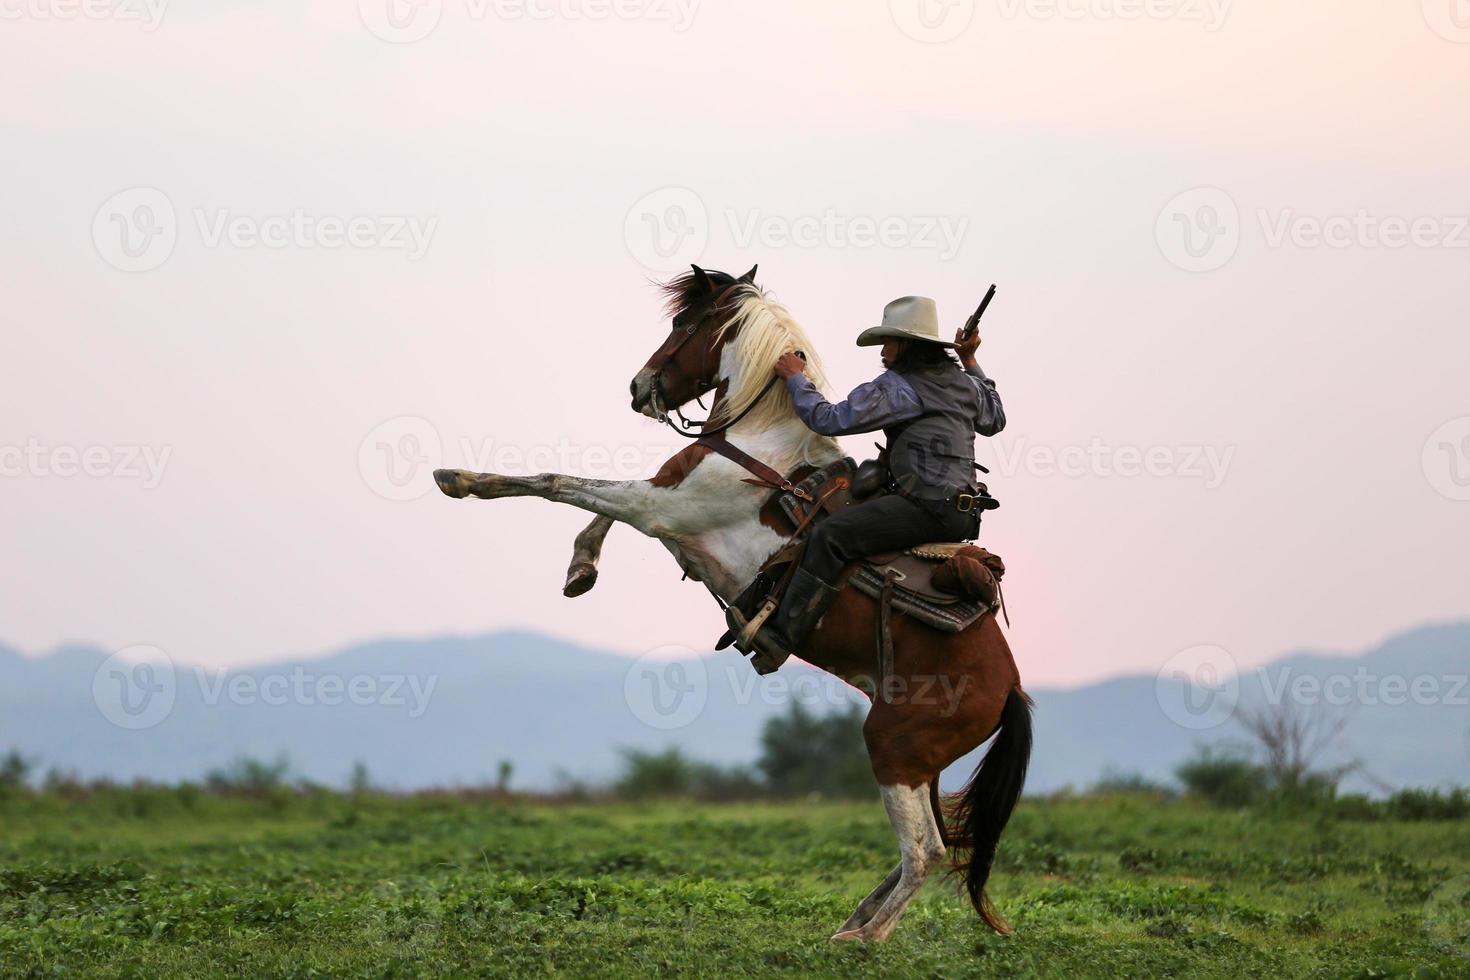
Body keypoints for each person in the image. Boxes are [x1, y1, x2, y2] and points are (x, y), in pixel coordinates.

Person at [730, 295, 1006, 672]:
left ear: (907, 344)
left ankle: (779, 638)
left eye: (889, 341)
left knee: (830, 536)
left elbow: (828, 419)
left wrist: (796, 378)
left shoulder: (897, 387)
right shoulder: (965, 383)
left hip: (925, 508)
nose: (883, 351)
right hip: (963, 515)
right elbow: (996, 418)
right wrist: (971, 360)